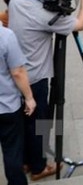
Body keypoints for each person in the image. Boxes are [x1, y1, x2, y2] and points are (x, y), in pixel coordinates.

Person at [9, 0, 83, 181]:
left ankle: (26, 160)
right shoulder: (48, 17)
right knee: (40, 122)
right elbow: (80, 24)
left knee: (25, 121)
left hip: (17, 73)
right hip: (37, 78)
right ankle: (40, 166)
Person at [0, 21, 36, 185]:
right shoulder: (5, 36)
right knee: (12, 152)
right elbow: (18, 72)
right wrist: (29, 97)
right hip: (7, 106)